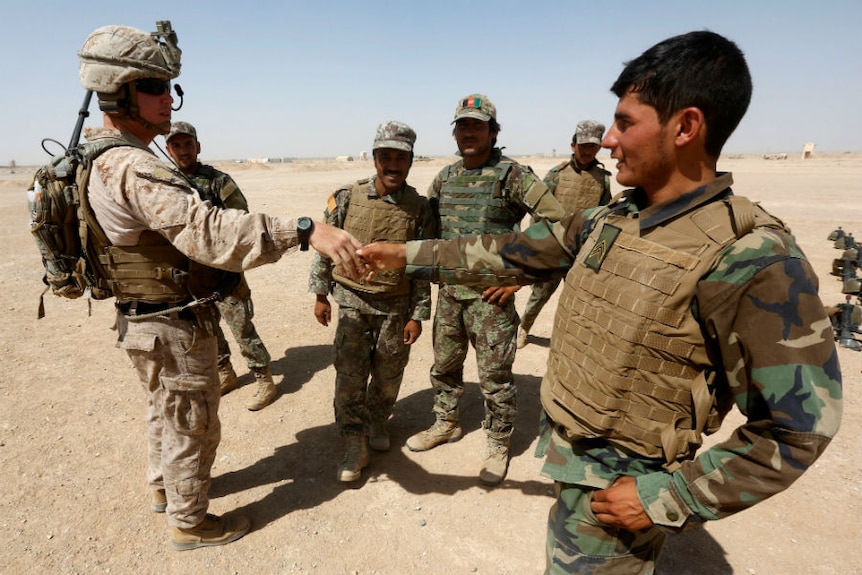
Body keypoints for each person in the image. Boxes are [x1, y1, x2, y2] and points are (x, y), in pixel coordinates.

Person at [358, 31, 842, 573]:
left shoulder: (753, 258)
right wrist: (405, 255)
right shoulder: (610, 219)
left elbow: (799, 427)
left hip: (623, 489)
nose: (608, 140)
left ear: (686, 126)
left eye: (625, 123)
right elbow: (508, 249)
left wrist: (672, 497)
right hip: (575, 462)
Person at [75, 23, 362, 551]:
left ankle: (165, 490)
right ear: (118, 92)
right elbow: (207, 232)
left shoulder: (96, 157)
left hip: (143, 319)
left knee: (165, 409)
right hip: (170, 322)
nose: (167, 100)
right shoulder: (132, 165)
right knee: (192, 422)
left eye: (169, 87)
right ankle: (190, 522)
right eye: (154, 87)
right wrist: (303, 230)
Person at [408, 94, 565, 486]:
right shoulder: (445, 178)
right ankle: (446, 422)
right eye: (463, 126)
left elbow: (559, 226)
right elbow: (427, 231)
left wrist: (521, 276)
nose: (469, 132)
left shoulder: (513, 176)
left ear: (493, 133)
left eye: (478, 125)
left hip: (491, 302)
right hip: (451, 298)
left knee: (494, 378)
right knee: (444, 367)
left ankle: (498, 441)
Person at [309, 121, 436, 483]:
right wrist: (320, 294)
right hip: (351, 302)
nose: (392, 164)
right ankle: (354, 441)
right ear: (375, 158)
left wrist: (418, 315)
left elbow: (422, 265)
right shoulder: (347, 197)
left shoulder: (420, 208)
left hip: (395, 307)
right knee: (349, 377)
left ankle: (379, 420)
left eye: (400, 157)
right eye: (385, 156)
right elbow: (325, 247)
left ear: (410, 161)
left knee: (388, 375)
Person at [165, 121, 276, 411]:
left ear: (197, 147)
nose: (182, 150)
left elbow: (240, 222)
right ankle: (225, 373)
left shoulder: (218, 182)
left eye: (187, 144)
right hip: (190, 276)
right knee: (208, 329)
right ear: (168, 150)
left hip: (223, 272)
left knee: (241, 328)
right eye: (176, 145)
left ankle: (264, 378)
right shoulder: (166, 185)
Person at [517, 120, 612, 348]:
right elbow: (538, 211)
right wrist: (536, 245)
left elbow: (606, 217)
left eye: (593, 146)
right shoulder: (556, 174)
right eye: (583, 146)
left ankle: (573, 340)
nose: (588, 151)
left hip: (584, 250)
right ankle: (523, 328)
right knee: (540, 294)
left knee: (582, 297)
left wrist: (598, 256)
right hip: (554, 246)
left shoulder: (603, 178)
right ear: (573, 145)